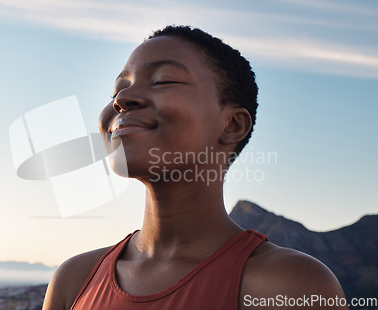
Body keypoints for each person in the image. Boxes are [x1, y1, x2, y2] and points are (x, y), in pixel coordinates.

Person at [43, 25, 347, 310]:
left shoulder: (291, 285)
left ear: (231, 125)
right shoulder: (74, 279)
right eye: (117, 90)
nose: (122, 99)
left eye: (163, 81)